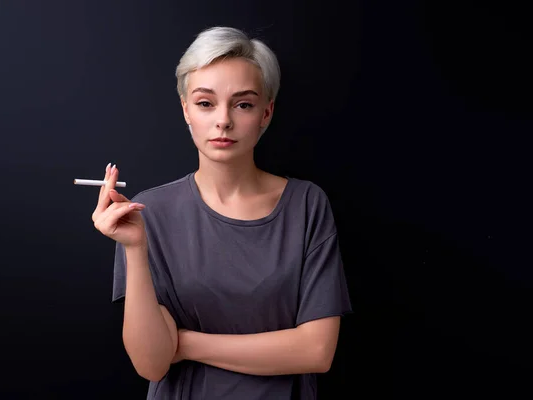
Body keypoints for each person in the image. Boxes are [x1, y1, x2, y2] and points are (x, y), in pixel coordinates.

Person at [91, 26, 352, 400]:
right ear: (186, 110)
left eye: (243, 104)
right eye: (205, 103)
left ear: (266, 112)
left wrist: (186, 344)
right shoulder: (147, 213)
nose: (223, 120)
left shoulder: (306, 204)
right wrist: (134, 247)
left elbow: (317, 351)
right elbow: (152, 364)